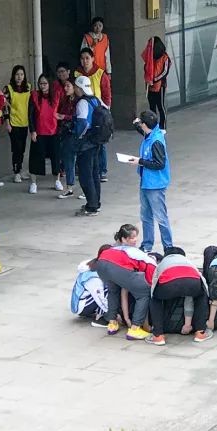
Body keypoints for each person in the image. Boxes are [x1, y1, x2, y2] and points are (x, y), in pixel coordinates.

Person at [89, 224, 154, 340]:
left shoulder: (113, 248)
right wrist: (150, 285)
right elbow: (151, 268)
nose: (135, 240)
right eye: (132, 238)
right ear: (123, 239)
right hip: (117, 268)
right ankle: (135, 328)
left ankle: (112, 323)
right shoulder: (135, 252)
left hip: (102, 264)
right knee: (143, 294)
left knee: (113, 291)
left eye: (136, 237)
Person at [127, 111, 173, 254]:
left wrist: (140, 161)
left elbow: (159, 163)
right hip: (146, 181)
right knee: (146, 216)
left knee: (160, 217)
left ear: (145, 125)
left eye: (141, 123)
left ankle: (168, 247)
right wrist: (136, 123)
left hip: (155, 185)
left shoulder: (156, 141)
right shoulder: (151, 134)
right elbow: (141, 130)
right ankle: (147, 244)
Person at [149, 247, 210, 346]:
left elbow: (154, 286)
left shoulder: (161, 264)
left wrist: (154, 297)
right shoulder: (189, 262)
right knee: (201, 295)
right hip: (193, 282)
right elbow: (203, 282)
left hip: (168, 284)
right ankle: (200, 333)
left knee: (156, 299)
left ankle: (158, 336)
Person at [78, 47, 113, 182]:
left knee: (100, 141)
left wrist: (106, 112)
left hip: (98, 112)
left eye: (87, 58)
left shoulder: (100, 73)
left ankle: (102, 170)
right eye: (82, 58)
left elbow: (107, 94)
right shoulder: (77, 73)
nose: (85, 61)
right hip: (85, 110)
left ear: (93, 58)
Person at [73, 75, 104, 217]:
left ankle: (91, 206)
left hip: (86, 143)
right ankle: (96, 203)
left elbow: (83, 123)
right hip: (97, 141)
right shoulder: (96, 100)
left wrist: (78, 138)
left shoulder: (82, 103)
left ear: (80, 88)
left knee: (86, 175)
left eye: (75, 87)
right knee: (95, 173)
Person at [29, 73, 63, 194]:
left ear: (49, 84)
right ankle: (33, 182)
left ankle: (57, 180)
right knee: (35, 157)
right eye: (40, 83)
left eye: (45, 83)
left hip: (54, 132)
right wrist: (32, 130)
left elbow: (60, 112)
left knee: (56, 157)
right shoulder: (34, 95)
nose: (42, 86)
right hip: (39, 132)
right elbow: (30, 115)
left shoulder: (56, 96)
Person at [5, 65, 32, 184]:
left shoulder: (28, 87)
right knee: (16, 148)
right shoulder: (8, 88)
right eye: (17, 74)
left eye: (21, 74)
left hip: (24, 123)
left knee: (22, 149)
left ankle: (20, 170)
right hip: (13, 123)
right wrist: (7, 123)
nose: (19, 77)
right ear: (13, 76)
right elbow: (4, 107)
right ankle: (16, 172)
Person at [71, 247, 110, 327]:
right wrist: (113, 314)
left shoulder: (94, 264)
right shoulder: (94, 278)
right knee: (109, 289)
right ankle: (102, 318)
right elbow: (100, 298)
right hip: (82, 307)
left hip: (82, 300)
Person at [55, 78, 79, 199]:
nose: (65, 88)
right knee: (68, 161)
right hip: (66, 133)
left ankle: (85, 190)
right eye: (65, 86)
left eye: (68, 86)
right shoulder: (65, 100)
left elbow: (77, 117)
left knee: (79, 163)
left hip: (75, 134)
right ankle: (70, 187)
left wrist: (64, 116)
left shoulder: (79, 101)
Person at [143, 37, 171, 130]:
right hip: (150, 85)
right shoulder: (150, 58)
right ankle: (154, 126)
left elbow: (165, 72)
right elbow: (146, 68)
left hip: (160, 86)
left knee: (161, 106)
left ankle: (163, 127)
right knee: (152, 107)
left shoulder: (165, 58)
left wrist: (154, 79)